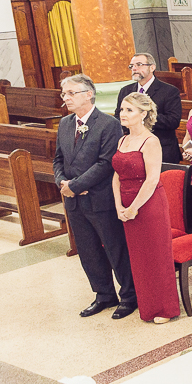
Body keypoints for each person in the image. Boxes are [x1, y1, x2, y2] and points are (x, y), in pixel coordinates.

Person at [54, 75, 136, 319]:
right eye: (64, 94)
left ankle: (130, 296)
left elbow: (106, 163)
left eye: (71, 93)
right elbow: (58, 158)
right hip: (74, 201)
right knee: (88, 250)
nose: (66, 98)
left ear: (88, 94)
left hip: (100, 199)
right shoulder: (65, 124)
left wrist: (76, 185)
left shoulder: (108, 124)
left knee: (115, 248)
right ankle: (103, 294)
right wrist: (62, 182)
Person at [112, 93, 181, 323]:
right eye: (122, 109)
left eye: (129, 110)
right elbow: (116, 176)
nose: (123, 114)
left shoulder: (150, 141)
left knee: (156, 256)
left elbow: (152, 179)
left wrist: (133, 208)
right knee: (139, 258)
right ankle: (148, 305)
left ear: (143, 114)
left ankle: (165, 308)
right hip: (127, 203)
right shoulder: (122, 140)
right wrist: (119, 205)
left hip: (149, 205)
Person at [115, 53, 182, 163]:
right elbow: (118, 116)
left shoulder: (169, 91)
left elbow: (173, 121)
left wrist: (142, 118)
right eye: (131, 66)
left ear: (152, 67)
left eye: (139, 64)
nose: (134, 68)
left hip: (162, 148)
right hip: (133, 149)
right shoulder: (125, 91)